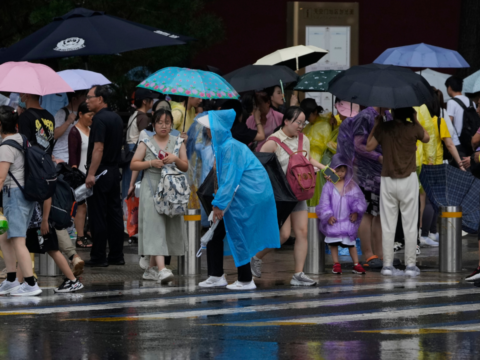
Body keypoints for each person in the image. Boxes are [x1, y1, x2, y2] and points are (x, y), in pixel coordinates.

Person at [196, 109, 280, 290]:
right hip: (246, 194)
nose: (207, 131)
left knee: (238, 232)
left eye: (209, 127)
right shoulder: (225, 145)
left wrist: (218, 204)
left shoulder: (229, 147)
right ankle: (216, 274)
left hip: (246, 197)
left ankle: (245, 279)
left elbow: (229, 180)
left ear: (217, 128)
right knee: (217, 233)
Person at [251, 107, 328, 286]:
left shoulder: (304, 140)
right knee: (284, 235)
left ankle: (298, 274)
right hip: (281, 195)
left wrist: (325, 169)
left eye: (303, 123)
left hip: (299, 192)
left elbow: (306, 160)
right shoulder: (273, 142)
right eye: (297, 122)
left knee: (302, 232)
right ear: (286, 121)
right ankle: (255, 257)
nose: (301, 126)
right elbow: (258, 167)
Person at [366, 107, 430, 277]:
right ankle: (410, 265)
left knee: (388, 224)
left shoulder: (384, 128)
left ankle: (387, 265)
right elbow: (427, 138)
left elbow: (368, 146)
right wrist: (415, 120)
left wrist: (376, 125)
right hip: (408, 179)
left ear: (393, 113)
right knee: (410, 224)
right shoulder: (413, 128)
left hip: (387, 179)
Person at [130, 109, 188, 283]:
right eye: (160, 122)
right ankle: (162, 269)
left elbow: (185, 166)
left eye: (167, 122)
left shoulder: (178, 142)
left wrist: (175, 159)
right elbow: (133, 164)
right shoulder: (145, 142)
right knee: (155, 228)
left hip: (171, 192)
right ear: (153, 125)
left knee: (166, 228)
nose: (164, 126)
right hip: (151, 188)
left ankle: (151, 269)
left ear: (172, 125)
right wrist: (150, 163)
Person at [0, 106, 42, 296]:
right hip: (24, 194)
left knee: (18, 240)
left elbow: (1, 178)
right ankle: (11, 280)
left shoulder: (6, 146)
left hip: (14, 195)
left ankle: (31, 283)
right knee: (5, 237)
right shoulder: (22, 139)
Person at [338, 107, 384, 269]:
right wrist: (378, 157)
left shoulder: (387, 115)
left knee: (379, 215)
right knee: (367, 214)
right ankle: (369, 254)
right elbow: (358, 145)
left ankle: (380, 254)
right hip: (366, 174)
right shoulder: (365, 116)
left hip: (381, 173)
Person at [84, 85, 125, 267]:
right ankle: (117, 255)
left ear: (100, 99)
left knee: (98, 214)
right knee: (115, 213)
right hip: (114, 171)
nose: (87, 101)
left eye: (89, 97)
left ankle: (99, 256)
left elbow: (98, 148)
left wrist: (91, 174)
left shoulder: (99, 120)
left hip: (101, 171)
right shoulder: (116, 118)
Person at [317, 155, 367, 275]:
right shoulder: (328, 186)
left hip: (347, 221)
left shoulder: (351, 185)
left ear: (347, 171)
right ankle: (336, 264)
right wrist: (327, 215)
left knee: (351, 244)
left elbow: (359, 200)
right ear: (333, 170)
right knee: (333, 244)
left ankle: (356, 264)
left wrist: (356, 212)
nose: (340, 173)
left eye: (343, 171)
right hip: (333, 221)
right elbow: (324, 202)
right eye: (337, 170)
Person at [26, 199, 84, 293]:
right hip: (38, 219)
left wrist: (44, 220)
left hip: (39, 220)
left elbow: (47, 196)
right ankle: (18, 282)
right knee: (26, 249)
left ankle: (73, 280)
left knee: (51, 250)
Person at [122, 88, 158, 203]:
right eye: (151, 100)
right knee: (135, 185)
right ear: (144, 101)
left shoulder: (135, 114)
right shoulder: (143, 117)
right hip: (136, 151)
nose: (153, 103)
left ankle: (126, 211)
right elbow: (147, 138)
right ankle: (131, 213)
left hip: (129, 151)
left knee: (127, 183)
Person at [68, 102, 94, 248]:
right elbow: (73, 156)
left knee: (91, 206)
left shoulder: (91, 130)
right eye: (90, 115)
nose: (92, 118)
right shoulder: (74, 131)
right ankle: (80, 236)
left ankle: (88, 232)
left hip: (91, 174)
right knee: (81, 206)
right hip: (80, 174)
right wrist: (76, 176)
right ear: (80, 114)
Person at [445, 76, 476, 158]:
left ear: (449, 87)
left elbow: (449, 122)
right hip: (471, 140)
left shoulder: (451, 102)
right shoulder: (471, 102)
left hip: (458, 141)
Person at [53, 91, 87, 163]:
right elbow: (55, 135)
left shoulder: (83, 114)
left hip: (77, 157)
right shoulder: (62, 112)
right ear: (74, 99)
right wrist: (68, 122)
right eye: (82, 96)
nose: (85, 98)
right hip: (61, 156)